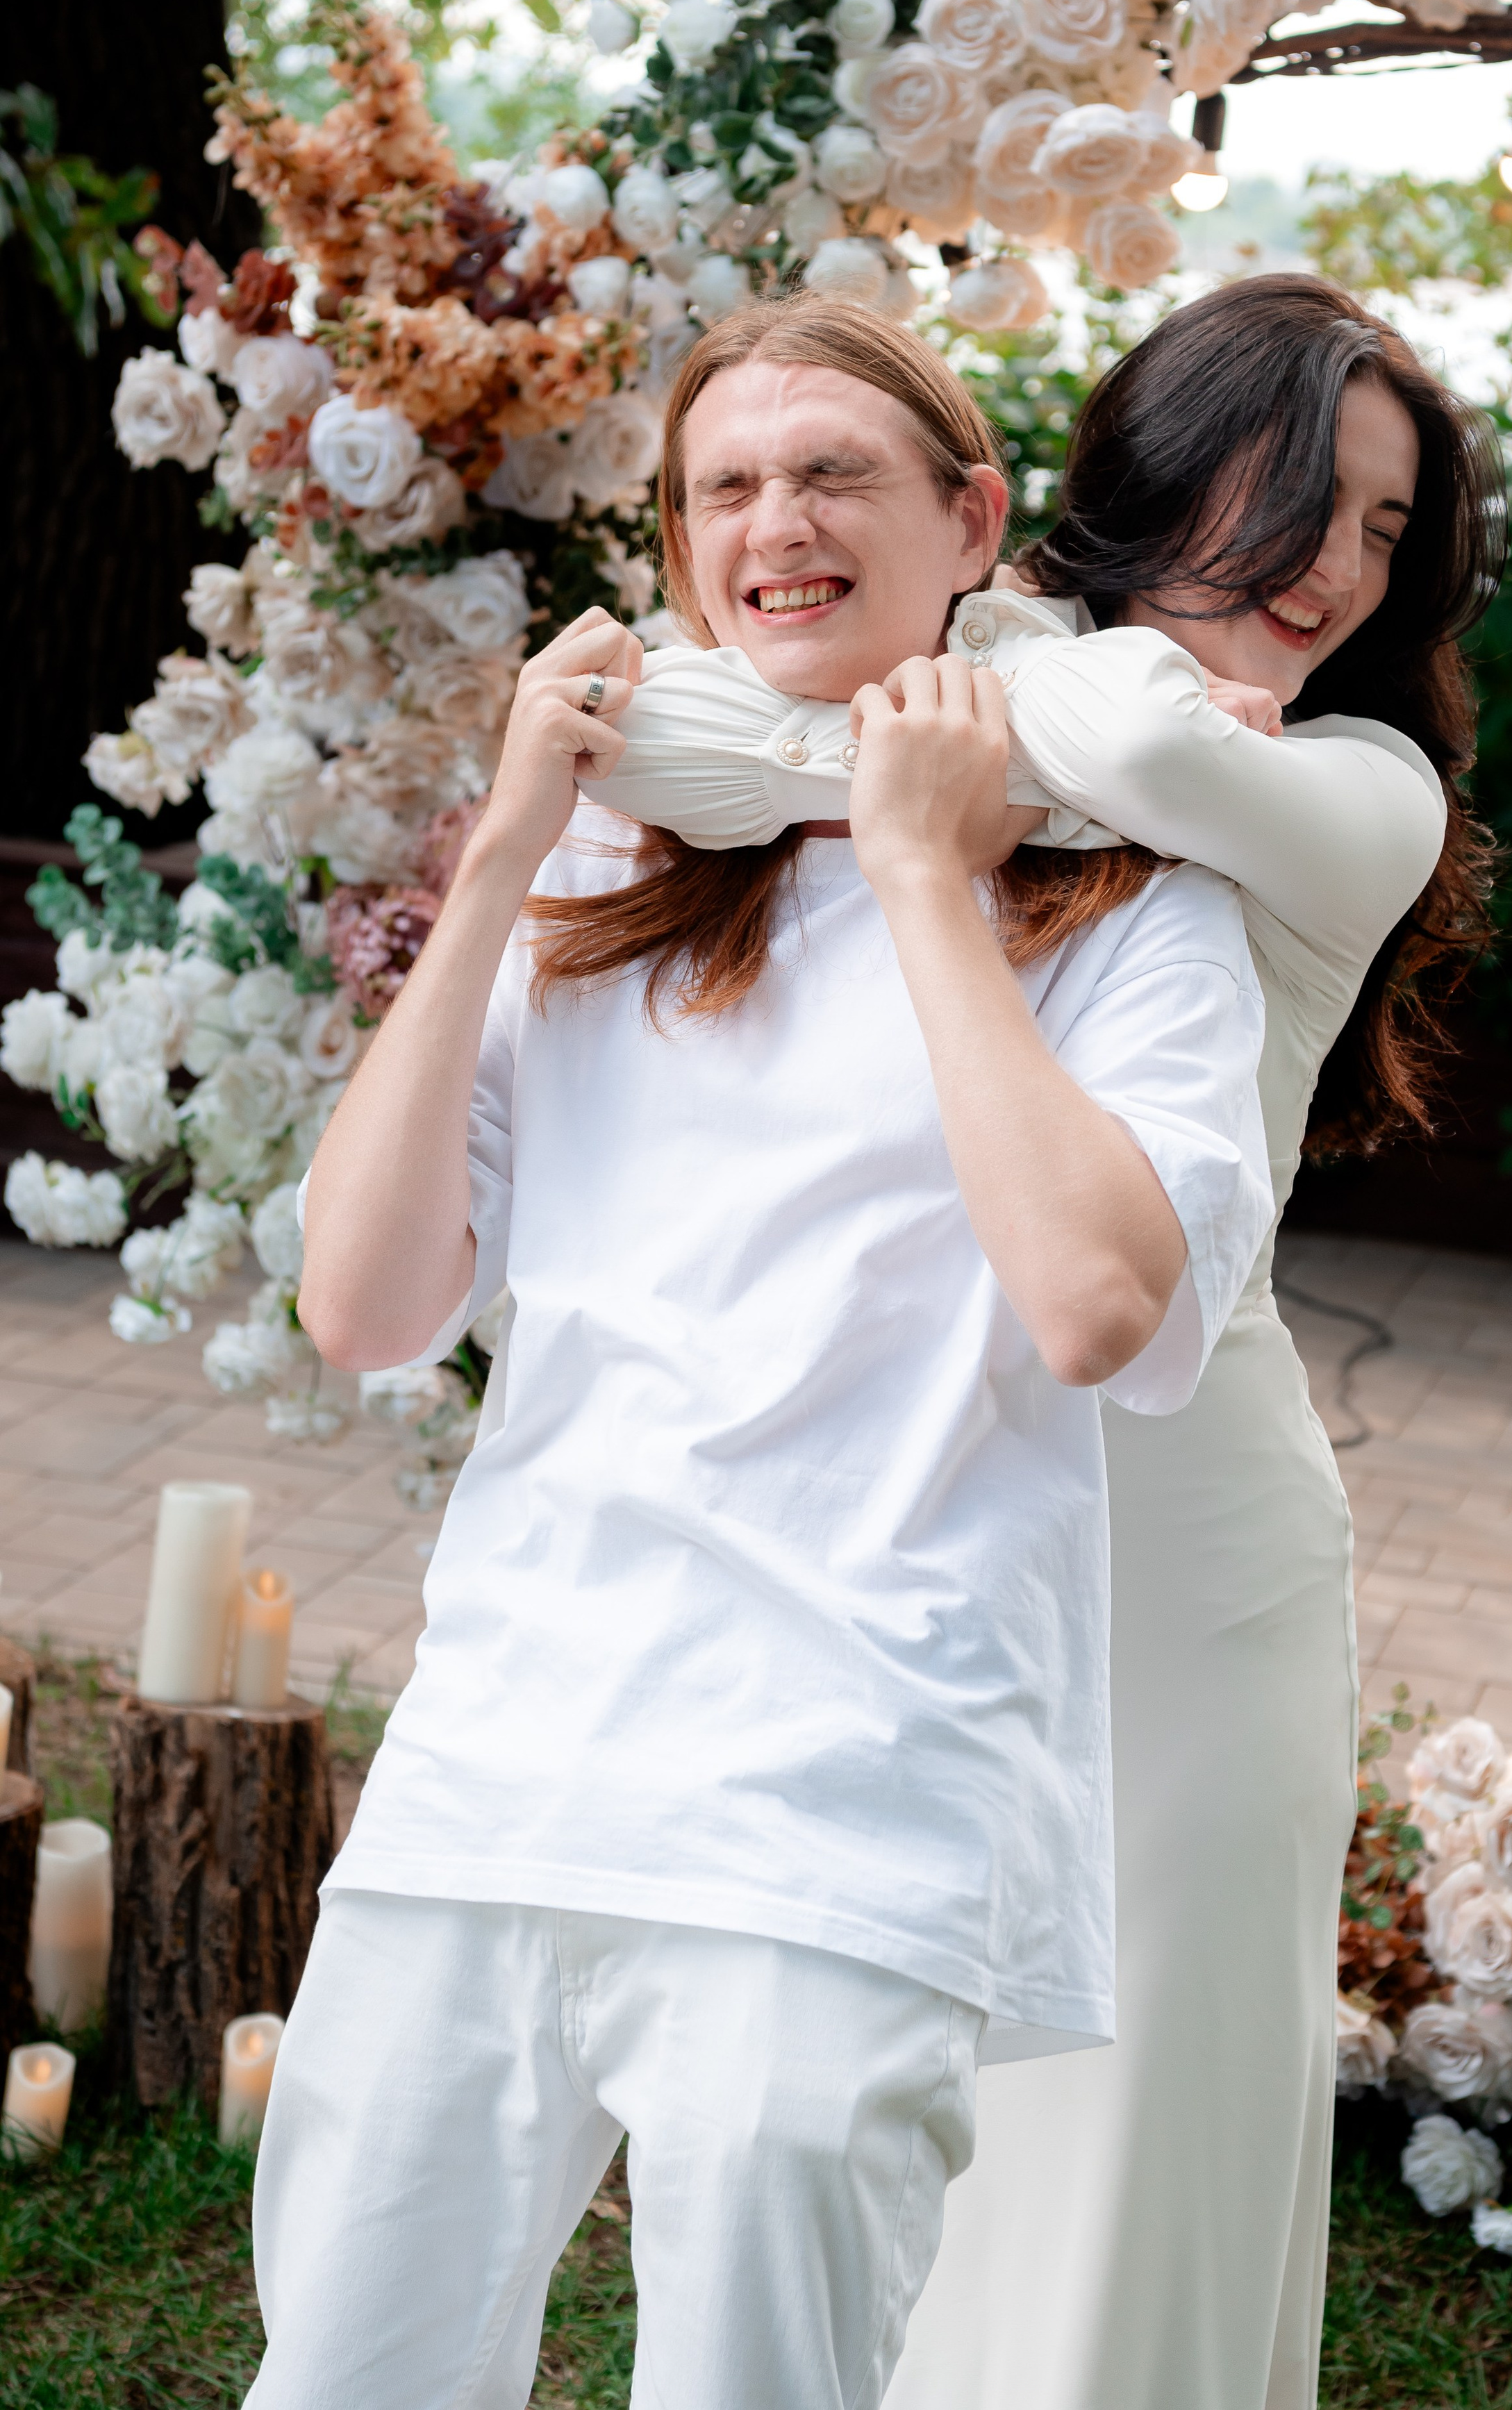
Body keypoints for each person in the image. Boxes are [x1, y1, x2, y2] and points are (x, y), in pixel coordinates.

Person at [251, 295, 1274, 2410]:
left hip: (852, 1804)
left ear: (971, 520)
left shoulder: (1140, 907)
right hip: (505, 1766)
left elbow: (1097, 1304)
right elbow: (361, 1308)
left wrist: (922, 873)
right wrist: (504, 847)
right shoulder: (599, 867)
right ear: (678, 547)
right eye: (724, 487)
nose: (774, 524)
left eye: (833, 474)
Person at [579, 276, 1502, 2410]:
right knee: (898, 2087)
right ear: (1165, 467)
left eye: (1384, 530)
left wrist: (988, 699)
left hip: (1183, 1546)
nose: (1338, 569)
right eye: (1303, 495)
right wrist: (1024, 692)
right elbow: (664, 737)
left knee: (1126, 2129)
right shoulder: (1009, 677)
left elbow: (1138, 759)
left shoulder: (1367, 781)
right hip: (911, 1508)